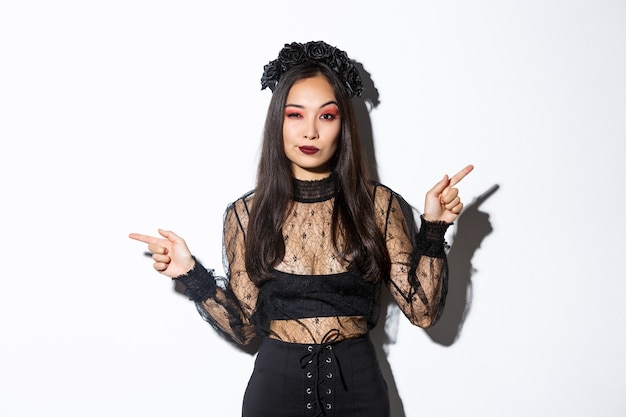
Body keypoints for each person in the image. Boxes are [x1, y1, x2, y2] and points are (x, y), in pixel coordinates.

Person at [129, 40, 473, 417]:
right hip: (273, 395)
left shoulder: (378, 205)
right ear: (278, 120)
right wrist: (191, 275)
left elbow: (423, 312)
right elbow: (244, 330)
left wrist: (435, 228)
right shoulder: (246, 214)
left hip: (360, 393)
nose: (310, 131)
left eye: (326, 116)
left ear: (343, 125)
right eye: (296, 115)